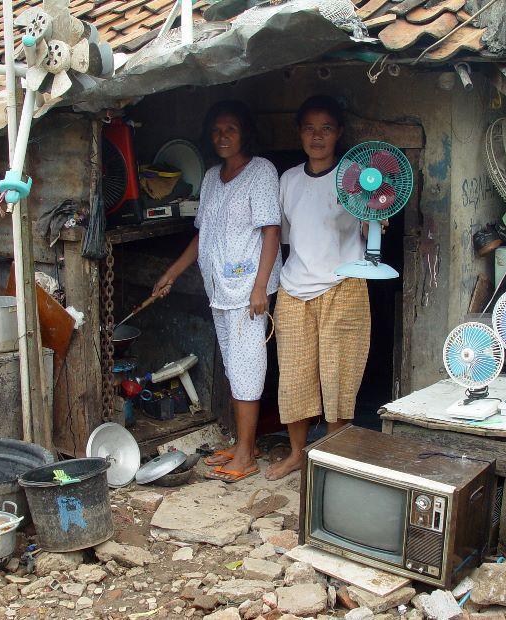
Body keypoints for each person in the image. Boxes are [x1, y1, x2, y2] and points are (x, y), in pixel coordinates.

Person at [152, 100, 282, 483]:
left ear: (245, 133)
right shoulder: (211, 177)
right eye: (216, 130)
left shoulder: (261, 172)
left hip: (247, 290)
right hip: (220, 288)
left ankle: (246, 455)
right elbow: (202, 235)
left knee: (247, 370)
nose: (223, 136)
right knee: (233, 368)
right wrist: (171, 274)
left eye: (231, 129)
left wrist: (260, 286)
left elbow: (271, 231)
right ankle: (243, 444)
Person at [266, 95, 372, 481]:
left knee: (339, 375)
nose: (317, 136)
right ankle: (297, 454)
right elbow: (286, 236)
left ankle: (334, 460)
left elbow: (369, 224)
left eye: (326, 128)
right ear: (299, 133)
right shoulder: (289, 180)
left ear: (338, 133)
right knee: (294, 376)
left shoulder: (355, 176)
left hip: (344, 286)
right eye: (309, 128)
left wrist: (375, 218)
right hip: (294, 289)